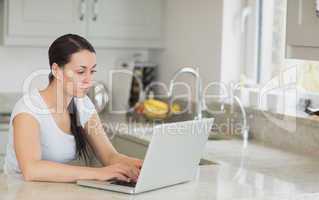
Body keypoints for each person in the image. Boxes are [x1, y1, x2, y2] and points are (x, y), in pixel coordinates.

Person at [3, 34, 142, 183]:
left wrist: (141, 166)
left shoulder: (83, 103)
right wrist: (99, 173)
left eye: (92, 71)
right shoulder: (28, 110)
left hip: (53, 191)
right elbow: (32, 170)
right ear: (56, 70)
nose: (89, 80)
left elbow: (109, 156)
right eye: (81, 72)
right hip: (19, 193)